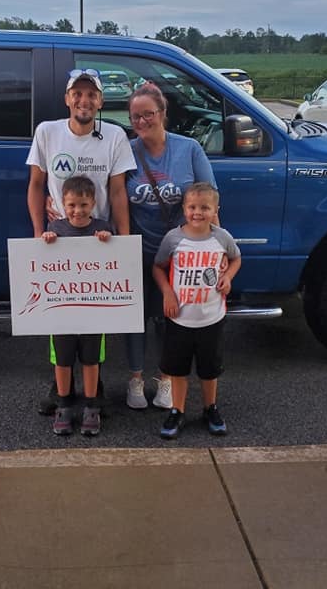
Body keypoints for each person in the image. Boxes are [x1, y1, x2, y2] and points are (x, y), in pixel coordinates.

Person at [27, 68, 136, 414]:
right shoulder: (47, 132)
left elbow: (117, 192)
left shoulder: (115, 136)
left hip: (98, 240)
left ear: (100, 101)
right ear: (67, 98)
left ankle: (93, 387)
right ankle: (60, 387)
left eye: (91, 95)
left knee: (94, 320)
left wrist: (124, 241)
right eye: (77, 93)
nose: (84, 100)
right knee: (59, 318)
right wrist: (37, 233)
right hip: (59, 239)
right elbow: (36, 185)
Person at [124, 82, 216, 410]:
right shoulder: (126, 151)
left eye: (148, 114)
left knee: (170, 317)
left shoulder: (188, 149)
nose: (142, 122)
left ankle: (165, 379)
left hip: (180, 252)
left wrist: (215, 249)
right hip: (138, 247)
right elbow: (111, 197)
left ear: (163, 113)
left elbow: (209, 199)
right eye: (135, 116)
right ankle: (135, 379)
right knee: (134, 317)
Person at [152, 182, 241, 438]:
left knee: (209, 370)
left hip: (211, 318)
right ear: (184, 209)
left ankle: (210, 408)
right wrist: (167, 292)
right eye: (192, 207)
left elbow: (236, 258)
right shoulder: (173, 238)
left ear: (215, 210)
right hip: (179, 319)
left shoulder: (222, 237)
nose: (197, 213)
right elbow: (158, 267)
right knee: (177, 370)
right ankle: (177, 411)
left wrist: (228, 277)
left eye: (204, 207)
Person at [41, 176, 114, 436]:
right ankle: (63, 405)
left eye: (83, 204)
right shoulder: (56, 227)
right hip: (62, 311)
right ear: (63, 204)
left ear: (93, 203)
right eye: (71, 205)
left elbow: (115, 261)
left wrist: (108, 239)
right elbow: (44, 261)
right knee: (62, 360)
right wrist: (47, 238)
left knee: (91, 360)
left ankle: (92, 406)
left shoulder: (103, 227)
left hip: (94, 311)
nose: (77, 210)